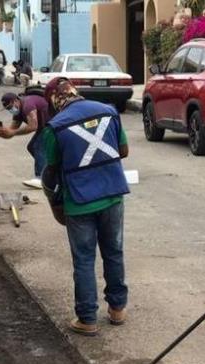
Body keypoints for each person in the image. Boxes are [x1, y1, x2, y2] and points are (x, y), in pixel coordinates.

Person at [40, 77, 130, 336]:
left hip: (79, 202)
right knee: (114, 252)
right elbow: (123, 151)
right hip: (113, 193)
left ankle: (88, 319)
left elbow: (52, 171)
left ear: (54, 101)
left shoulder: (55, 127)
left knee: (84, 259)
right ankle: (117, 309)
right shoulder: (109, 111)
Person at [0, 91, 50, 188]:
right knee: (32, 147)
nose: (10, 110)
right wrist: (3, 133)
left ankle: (41, 178)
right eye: (8, 109)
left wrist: (12, 132)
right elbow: (12, 130)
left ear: (16, 101)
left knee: (38, 146)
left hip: (53, 123)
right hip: (44, 127)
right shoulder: (18, 111)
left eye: (10, 107)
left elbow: (33, 126)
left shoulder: (28, 105)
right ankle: (51, 172)